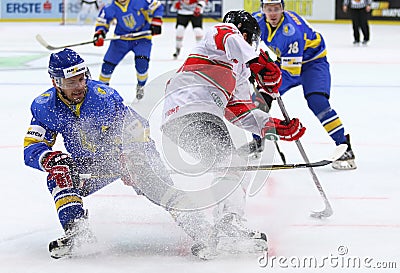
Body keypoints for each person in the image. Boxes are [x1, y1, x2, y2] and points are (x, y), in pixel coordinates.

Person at [23, 48, 221, 260]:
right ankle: (77, 232)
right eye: (72, 82)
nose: (80, 86)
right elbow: (32, 147)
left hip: (125, 156)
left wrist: (134, 155)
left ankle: (202, 229)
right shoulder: (44, 106)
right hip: (87, 164)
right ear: (56, 82)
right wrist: (49, 158)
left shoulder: (104, 98)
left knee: (155, 183)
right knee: (59, 173)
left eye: (82, 79)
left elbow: (138, 129)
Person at [161, 10, 305, 252]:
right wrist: (258, 61)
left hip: (186, 119)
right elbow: (230, 38)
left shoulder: (239, 71)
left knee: (229, 164)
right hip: (193, 109)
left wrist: (275, 127)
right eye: (251, 40)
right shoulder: (218, 35)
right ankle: (229, 222)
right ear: (245, 33)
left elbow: (239, 111)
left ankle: (220, 226)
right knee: (233, 164)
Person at [247, 0, 356, 170]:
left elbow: (291, 74)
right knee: (259, 100)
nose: (273, 13)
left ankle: (345, 147)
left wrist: (264, 82)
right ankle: (257, 141)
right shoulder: (258, 21)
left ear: (283, 9)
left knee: (317, 102)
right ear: (262, 10)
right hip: (287, 61)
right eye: (269, 9)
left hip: (313, 64)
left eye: (277, 9)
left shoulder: (290, 32)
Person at [93, 0, 164, 100]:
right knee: (107, 66)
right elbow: (103, 21)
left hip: (142, 38)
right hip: (121, 39)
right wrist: (100, 33)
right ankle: (102, 93)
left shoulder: (141, 1)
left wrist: (156, 22)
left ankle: (141, 85)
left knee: (142, 64)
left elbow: (158, 6)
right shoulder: (110, 7)